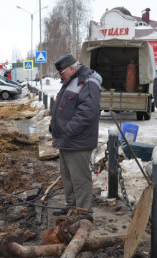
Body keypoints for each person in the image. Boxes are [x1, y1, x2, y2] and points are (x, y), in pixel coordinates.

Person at [50, 54, 102, 220]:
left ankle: (84, 212)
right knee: (68, 176)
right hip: (66, 139)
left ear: (72, 68)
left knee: (80, 178)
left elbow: (88, 112)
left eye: (62, 72)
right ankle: (71, 206)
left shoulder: (88, 81)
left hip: (77, 140)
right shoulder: (71, 80)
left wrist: (68, 130)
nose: (60, 76)